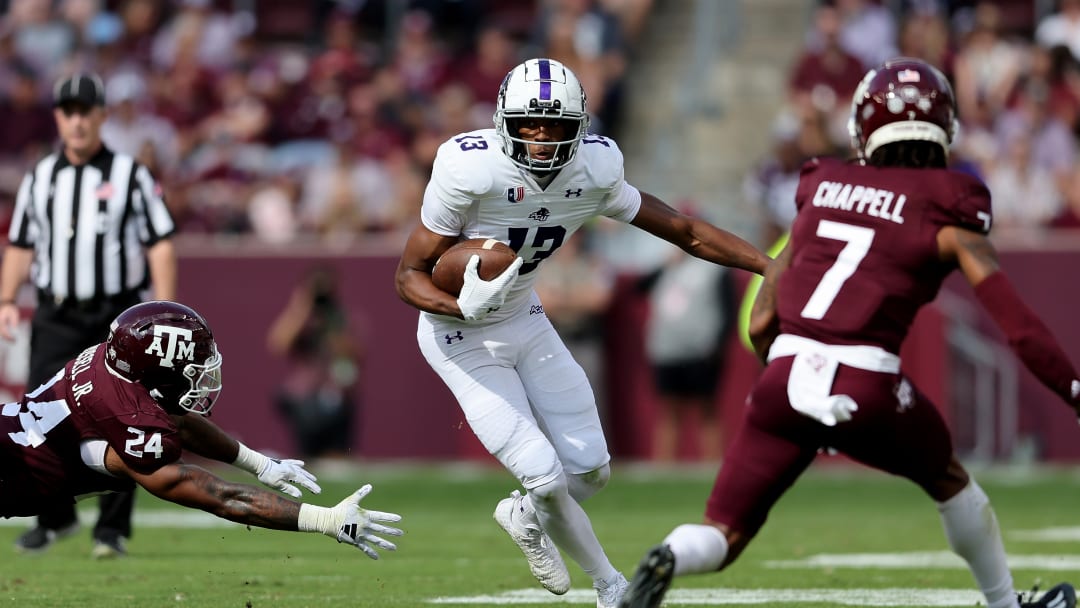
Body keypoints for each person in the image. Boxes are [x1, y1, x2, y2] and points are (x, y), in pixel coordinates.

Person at [618, 58, 1080, 608]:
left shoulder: (823, 185)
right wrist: (1073, 391)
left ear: (864, 124)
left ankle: (669, 555)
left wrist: (785, 378)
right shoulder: (952, 204)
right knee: (952, 480)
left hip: (786, 371)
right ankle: (1005, 604)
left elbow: (765, 314)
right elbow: (1020, 328)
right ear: (945, 124)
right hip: (866, 379)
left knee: (723, 533)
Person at [394, 57, 769, 608]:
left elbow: (686, 231)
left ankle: (523, 516)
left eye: (556, 126)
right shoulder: (468, 168)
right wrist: (458, 305)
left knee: (590, 473)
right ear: (504, 121)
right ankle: (610, 586)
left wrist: (770, 266)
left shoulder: (593, 170)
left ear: (581, 129)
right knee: (545, 477)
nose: (542, 138)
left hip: (524, 317)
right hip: (458, 336)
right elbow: (407, 276)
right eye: (529, 123)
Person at [0, 300, 403, 559]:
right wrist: (324, 520)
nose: (203, 375)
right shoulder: (130, 416)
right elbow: (218, 496)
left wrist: (259, 464)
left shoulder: (110, 364)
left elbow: (176, 419)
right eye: (193, 366)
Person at [0, 72, 178, 558]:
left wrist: (162, 308)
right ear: (58, 117)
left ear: (101, 115)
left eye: (85, 111)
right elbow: (20, 244)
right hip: (57, 312)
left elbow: (160, 242)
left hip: (116, 314)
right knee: (36, 416)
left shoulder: (131, 175)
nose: (77, 121)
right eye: (68, 111)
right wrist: (7, 300)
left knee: (127, 415)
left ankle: (112, 529)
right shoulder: (40, 177)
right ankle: (54, 518)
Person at [638, 218, 737, 462]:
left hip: (702, 350)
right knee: (669, 411)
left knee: (707, 409)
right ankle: (664, 466)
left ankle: (712, 464)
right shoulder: (668, 266)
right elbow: (640, 287)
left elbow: (729, 309)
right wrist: (666, 263)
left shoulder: (714, 268)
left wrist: (718, 345)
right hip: (667, 350)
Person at [267, 265, 361, 459]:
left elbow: (352, 354)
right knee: (306, 458)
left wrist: (331, 321)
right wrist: (301, 309)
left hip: (336, 397)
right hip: (304, 399)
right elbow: (279, 343)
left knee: (337, 460)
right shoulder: (300, 318)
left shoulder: (340, 317)